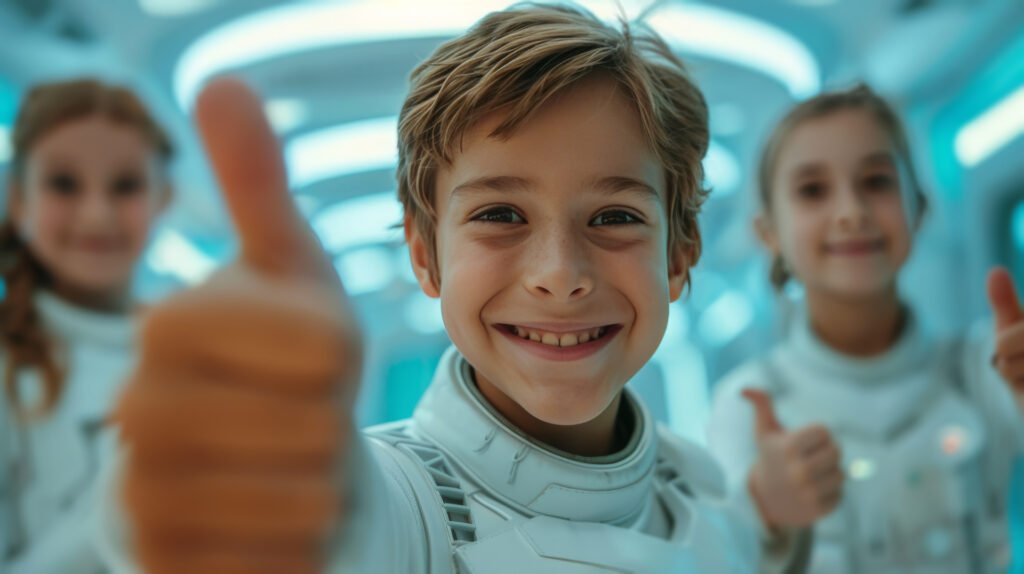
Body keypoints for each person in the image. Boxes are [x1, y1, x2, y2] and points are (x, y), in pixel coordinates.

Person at [100, 4, 809, 573]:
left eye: (616, 217)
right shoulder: (389, 509)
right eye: (500, 216)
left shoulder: (705, 486)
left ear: (680, 254)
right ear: (425, 256)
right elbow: (317, 527)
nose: (559, 274)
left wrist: (781, 534)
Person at [707, 83, 1024, 573]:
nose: (851, 211)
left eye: (876, 181)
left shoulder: (990, 371)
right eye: (813, 190)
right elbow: (715, 558)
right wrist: (761, 508)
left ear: (917, 208)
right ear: (769, 233)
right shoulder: (746, 404)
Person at [0, 78, 174, 573]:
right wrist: (118, 516)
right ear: (18, 201)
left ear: (164, 197)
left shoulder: (190, 351)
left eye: (126, 186)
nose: (96, 215)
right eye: (63, 184)